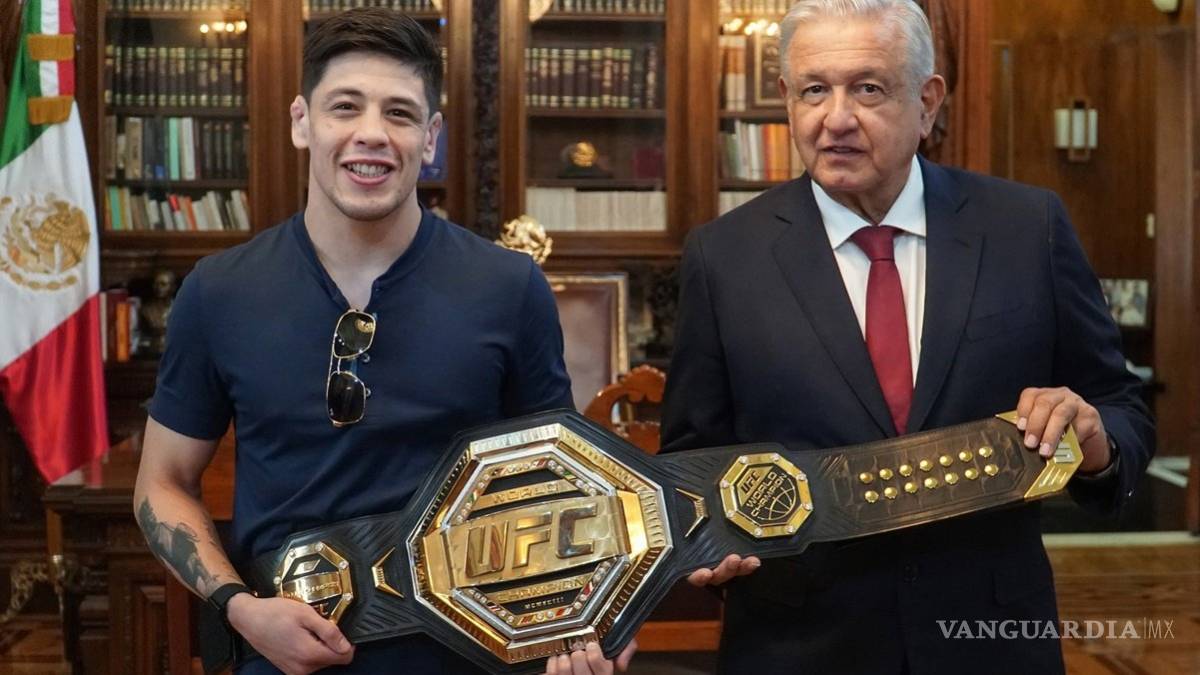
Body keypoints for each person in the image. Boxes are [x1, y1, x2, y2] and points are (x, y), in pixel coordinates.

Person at [661, 1, 1154, 673]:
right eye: (813, 89)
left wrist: (1094, 441)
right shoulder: (724, 257)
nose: (835, 118)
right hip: (800, 647)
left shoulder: (1025, 228)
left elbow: (1123, 410)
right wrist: (707, 545)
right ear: (785, 99)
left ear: (927, 102)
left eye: (867, 87)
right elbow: (693, 461)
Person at [132, 9, 596, 674]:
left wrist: (585, 629)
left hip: (475, 656)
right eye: (344, 107)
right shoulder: (219, 292)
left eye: (401, 114)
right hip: (285, 655)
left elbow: (564, 485)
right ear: (302, 121)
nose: (371, 134)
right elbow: (163, 481)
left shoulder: (508, 286)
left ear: (430, 137)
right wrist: (238, 605)